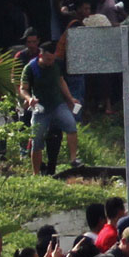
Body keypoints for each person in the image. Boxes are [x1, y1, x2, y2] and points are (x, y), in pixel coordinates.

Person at [19, 41, 81, 175]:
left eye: (52, 59)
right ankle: (36, 173)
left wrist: (70, 98)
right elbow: (23, 89)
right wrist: (30, 99)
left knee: (71, 126)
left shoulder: (56, 64)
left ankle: (73, 159)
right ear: (41, 55)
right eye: (48, 59)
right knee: (37, 140)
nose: (50, 62)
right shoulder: (31, 68)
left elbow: (61, 81)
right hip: (40, 109)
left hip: (58, 104)